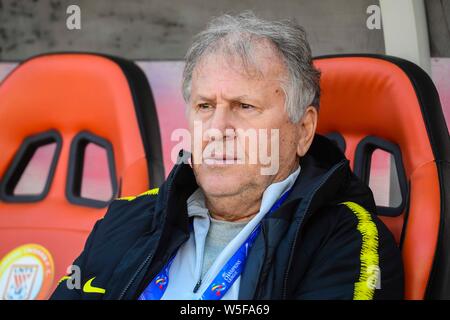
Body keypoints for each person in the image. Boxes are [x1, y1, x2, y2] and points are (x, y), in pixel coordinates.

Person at [51, 11, 403, 300]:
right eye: (205, 106)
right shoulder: (128, 217)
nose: (217, 129)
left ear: (304, 130)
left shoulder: (345, 239)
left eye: (245, 106)